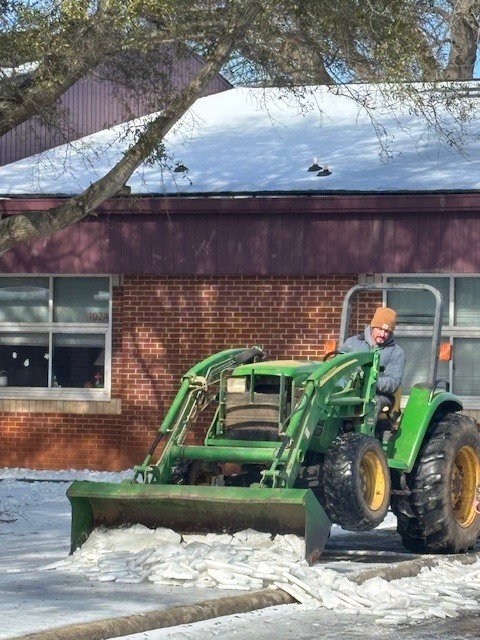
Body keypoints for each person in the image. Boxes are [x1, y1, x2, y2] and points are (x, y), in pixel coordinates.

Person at [340, 306, 406, 423]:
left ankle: (364, 437)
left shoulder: (396, 352)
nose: (382, 334)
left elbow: (393, 382)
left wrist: (370, 381)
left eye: (387, 331)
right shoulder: (351, 344)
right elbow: (338, 367)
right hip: (347, 391)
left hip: (379, 395)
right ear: (372, 327)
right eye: (379, 329)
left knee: (370, 403)